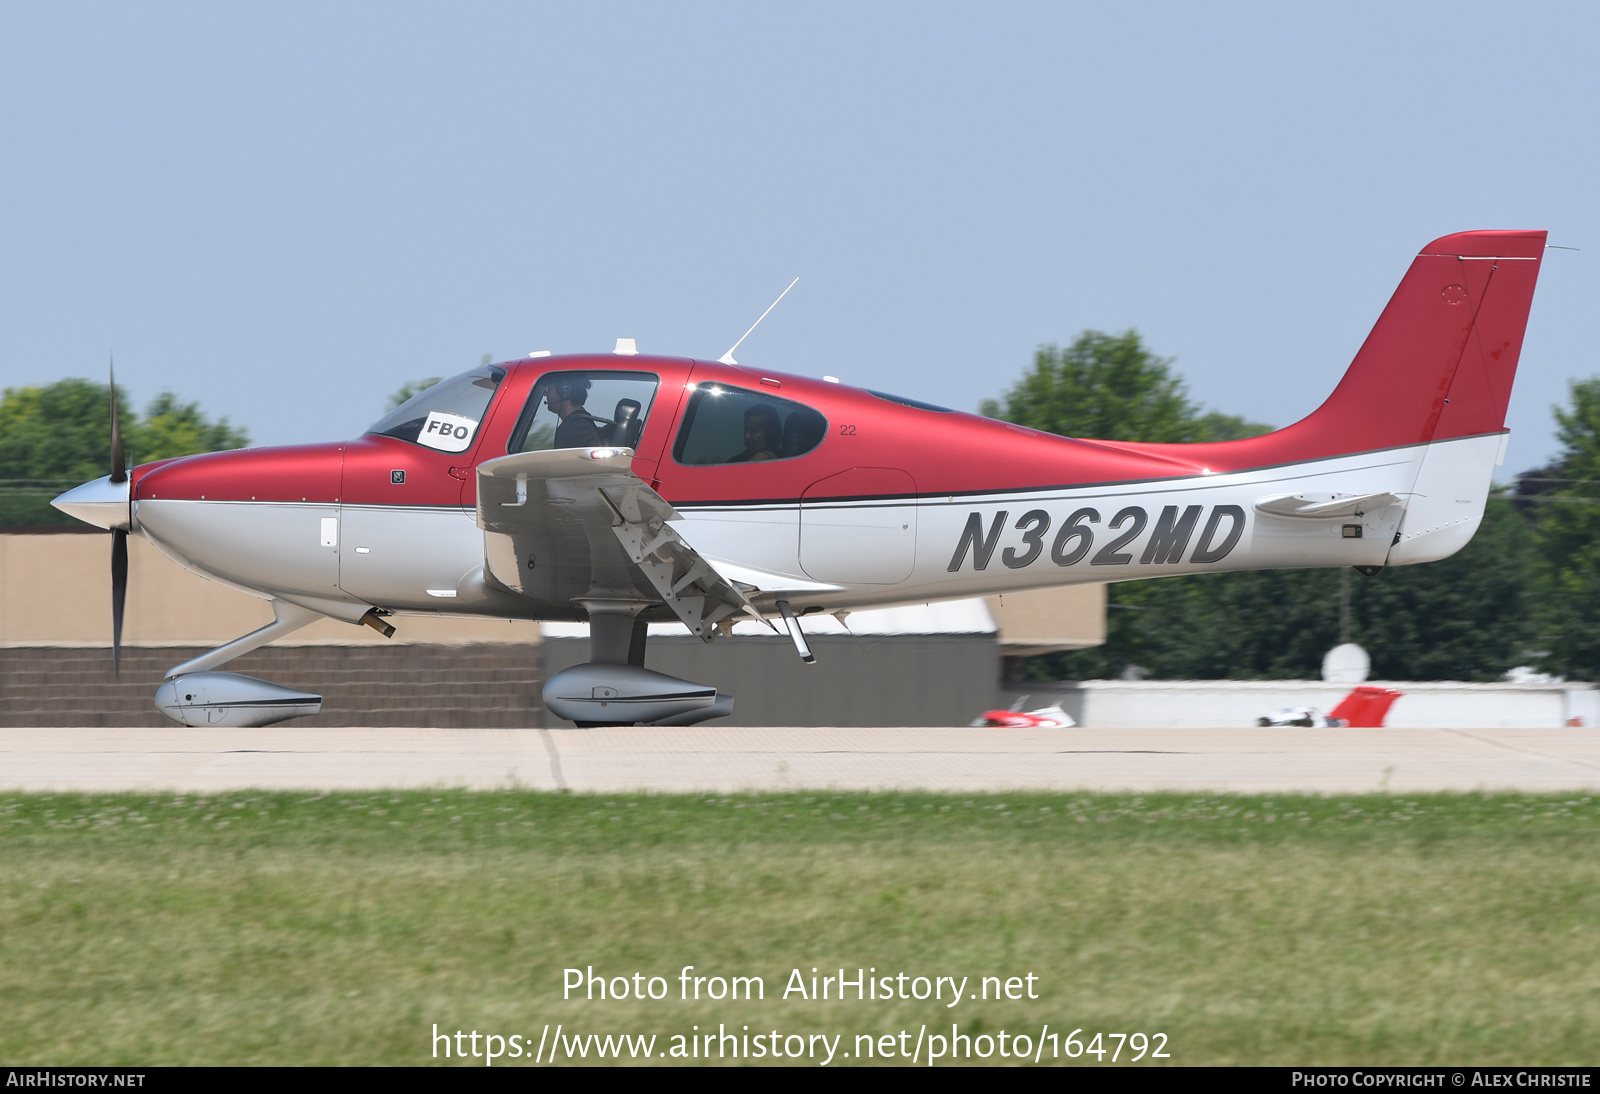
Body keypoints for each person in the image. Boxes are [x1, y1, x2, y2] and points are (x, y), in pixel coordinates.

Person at [546, 376, 606, 448]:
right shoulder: (583, 423)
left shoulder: (571, 430)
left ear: (564, 391)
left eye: (549, 389)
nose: (545, 394)